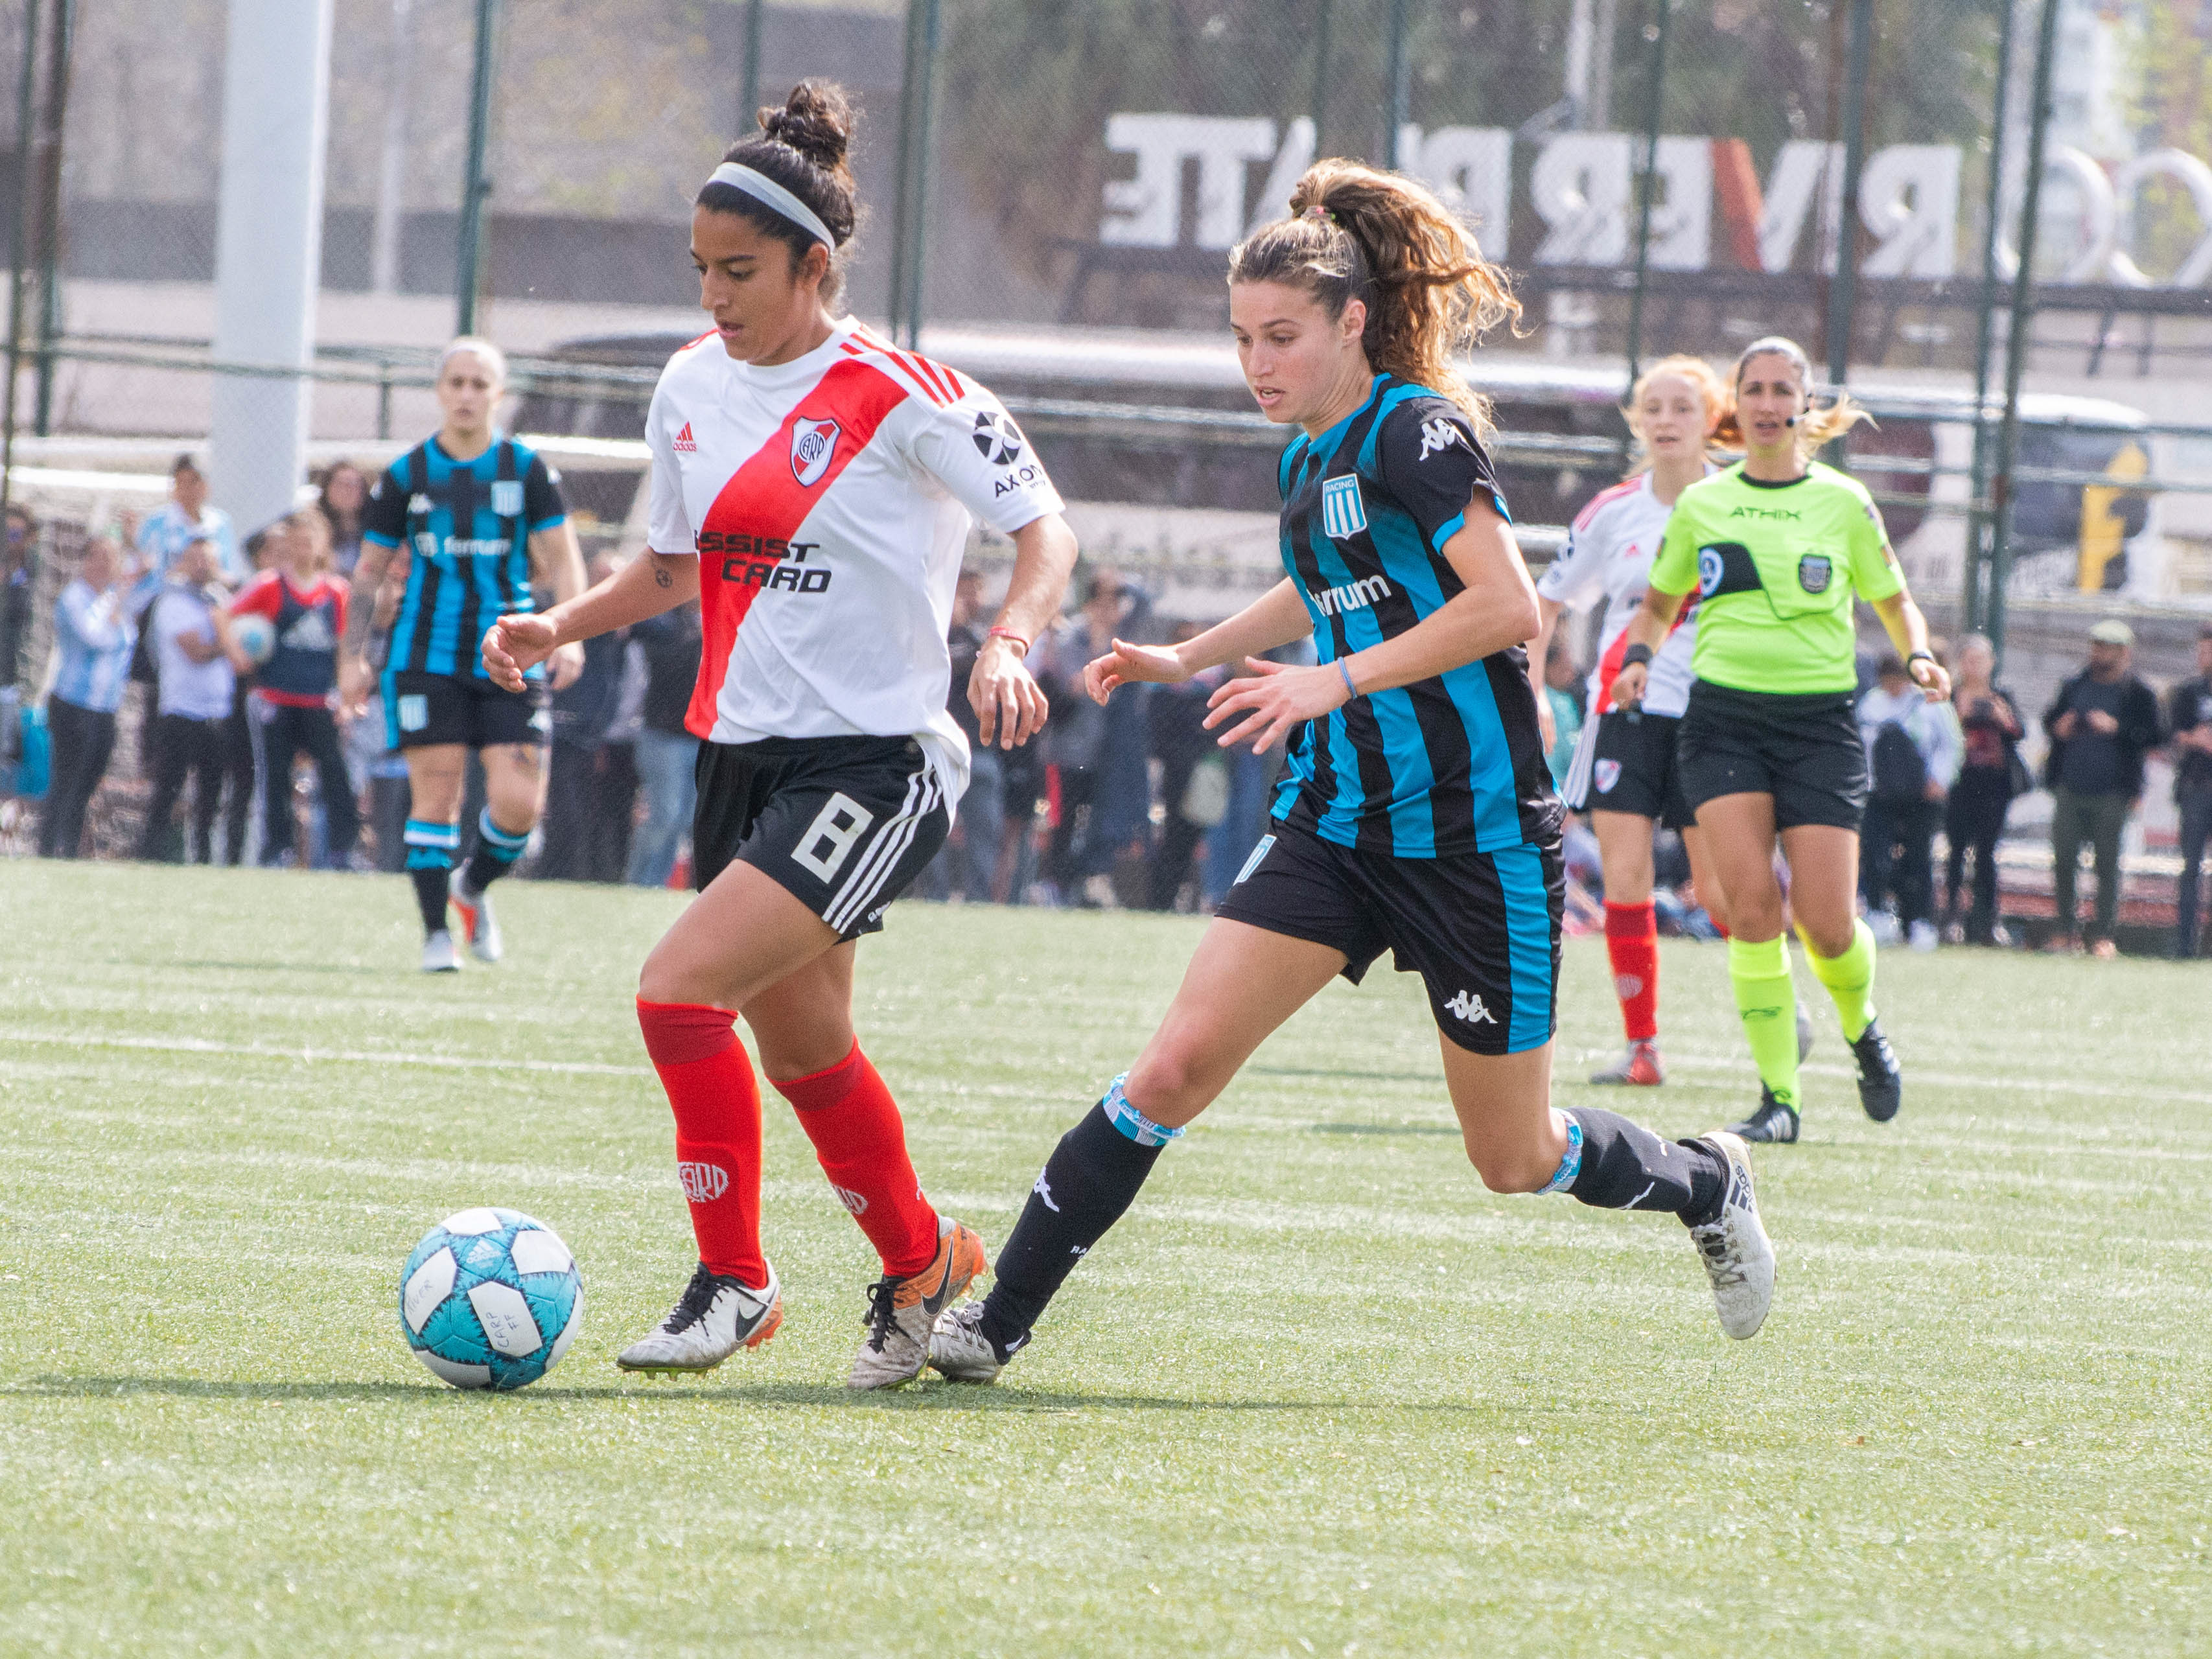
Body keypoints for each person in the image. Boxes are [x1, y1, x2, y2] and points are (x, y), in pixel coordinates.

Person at [926, 158, 1775, 1389]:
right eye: (1240, 340)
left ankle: (1705, 1177)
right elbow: (1320, 580)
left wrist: (1335, 678)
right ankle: (993, 1320)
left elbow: (1505, 609)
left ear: (1351, 324)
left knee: (1514, 1157)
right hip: (1336, 826)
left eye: (1281, 336)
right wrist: (1194, 650)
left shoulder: (1418, 431)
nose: (1256, 363)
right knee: (1170, 1071)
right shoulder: (1308, 457)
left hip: (1475, 841)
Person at [480, 80, 1080, 1389]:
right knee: (804, 1051)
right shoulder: (691, 386)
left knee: (675, 991)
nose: (713, 295)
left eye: (738, 270)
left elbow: (1047, 529)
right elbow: (669, 566)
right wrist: (555, 625)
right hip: (738, 756)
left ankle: (733, 1278)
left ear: (816, 265)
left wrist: (1014, 636)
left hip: (876, 761)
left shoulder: (902, 391)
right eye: (698, 270)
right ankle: (924, 1264)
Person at [1611, 335, 1950, 1144]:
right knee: (1752, 911)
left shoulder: (1842, 502)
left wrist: (1920, 652)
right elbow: (1657, 606)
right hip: (1722, 722)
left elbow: (1895, 602)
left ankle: (1862, 1027)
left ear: (1803, 403)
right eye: (1752, 389)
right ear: (1737, 405)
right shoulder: (1702, 504)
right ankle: (1779, 1100)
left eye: (1779, 389)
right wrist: (1634, 661)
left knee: (1826, 924)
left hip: (1818, 727)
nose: (1766, 403)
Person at [340, 337, 588, 971]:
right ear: (440, 391)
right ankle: (434, 937)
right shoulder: (406, 475)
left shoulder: (526, 469)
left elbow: (562, 559)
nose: (468, 394)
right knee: (437, 796)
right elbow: (367, 574)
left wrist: (570, 632)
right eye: (457, 382)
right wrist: (352, 656)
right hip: (426, 657)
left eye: (481, 384)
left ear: (498, 394)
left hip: (510, 653)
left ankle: (471, 886)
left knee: (517, 804)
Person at [1530, 355, 1729, 1085]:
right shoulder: (1611, 511)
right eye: (1653, 408)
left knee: (1716, 890)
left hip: (1712, 715)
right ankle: (1642, 1048)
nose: (1666, 421)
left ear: (1711, 418)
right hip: (1625, 715)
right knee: (1624, 879)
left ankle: (1779, 1009)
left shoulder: (1739, 502)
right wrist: (1532, 695)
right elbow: (1544, 603)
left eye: (1682, 407)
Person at [230, 509, 359, 868]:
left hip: (319, 698)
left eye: (309, 541)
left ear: (321, 545)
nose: (303, 549)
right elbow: (225, 615)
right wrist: (238, 655)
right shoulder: (271, 585)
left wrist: (346, 695)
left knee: (335, 774)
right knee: (275, 776)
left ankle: (343, 850)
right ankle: (277, 850)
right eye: (296, 542)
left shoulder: (335, 591)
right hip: (276, 697)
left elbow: (345, 645)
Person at [2042, 618, 2164, 957]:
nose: (2099, 653)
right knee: (2064, 859)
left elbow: (2155, 735)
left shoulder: (2138, 692)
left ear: (2124, 653)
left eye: (2107, 648)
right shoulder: (2074, 685)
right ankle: (2066, 929)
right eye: (2096, 646)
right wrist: (2059, 726)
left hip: (2113, 792)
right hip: (2071, 786)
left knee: (2107, 865)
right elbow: (2050, 720)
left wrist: (2116, 727)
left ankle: (2102, 935)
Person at [136, 537, 252, 862]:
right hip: (181, 710)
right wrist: (226, 641)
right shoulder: (173, 601)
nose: (203, 565)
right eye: (196, 558)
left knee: (211, 792)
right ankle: (151, 852)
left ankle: (202, 856)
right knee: (169, 787)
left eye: (209, 559)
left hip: (217, 710)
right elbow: (196, 651)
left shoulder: (220, 601)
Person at [39, 535, 135, 858]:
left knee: (89, 780)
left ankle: (70, 848)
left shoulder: (113, 599)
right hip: (73, 704)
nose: (104, 564)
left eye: (110, 557)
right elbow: (95, 639)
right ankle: (49, 846)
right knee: (66, 778)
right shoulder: (74, 598)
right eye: (97, 556)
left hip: (105, 707)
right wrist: (118, 604)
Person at [1857, 651, 1960, 951]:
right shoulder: (1871, 704)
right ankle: (1878, 915)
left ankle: (1920, 920)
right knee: (1876, 856)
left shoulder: (1929, 703)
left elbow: (1950, 745)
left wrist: (1938, 781)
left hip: (1921, 794)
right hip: (1879, 794)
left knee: (1918, 857)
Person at [1942, 633, 2025, 946]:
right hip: (1959, 782)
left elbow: (2018, 732)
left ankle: (1987, 921)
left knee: (1987, 854)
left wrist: (2001, 718)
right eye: (1968, 659)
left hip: (1993, 785)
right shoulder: (1951, 695)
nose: (1974, 666)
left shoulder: (2001, 696)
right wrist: (1959, 717)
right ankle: (1951, 918)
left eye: (1981, 659)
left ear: (1991, 663)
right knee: (1956, 851)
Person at [625, 597, 703, 888]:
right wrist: (698, 638)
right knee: (665, 815)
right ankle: (640, 883)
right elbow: (668, 662)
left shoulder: (713, 624)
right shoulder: (664, 623)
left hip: (699, 740)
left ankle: (656, 884)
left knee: (684, 820)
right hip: (662, 736)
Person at [135, 455, 245, 585]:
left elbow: (230, 569)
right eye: (181, 482)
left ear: (205, 487)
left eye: (194, 482)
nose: (188, 490)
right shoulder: (156, 523)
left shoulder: (220, 523)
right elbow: (142, 568)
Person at [2170, 622, 2212, 959]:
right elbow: (2174, 734)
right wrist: (2193, 739)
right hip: (2196, 787)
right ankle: (2185, 946)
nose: (2204, 657)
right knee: (2191, 869)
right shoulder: (2188, 692)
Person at [318, 460, 370, 576]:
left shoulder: (374, 529)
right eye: (342, 484)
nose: (349, 491)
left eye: (356, 485)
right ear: (327, 488)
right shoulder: (315, 527)